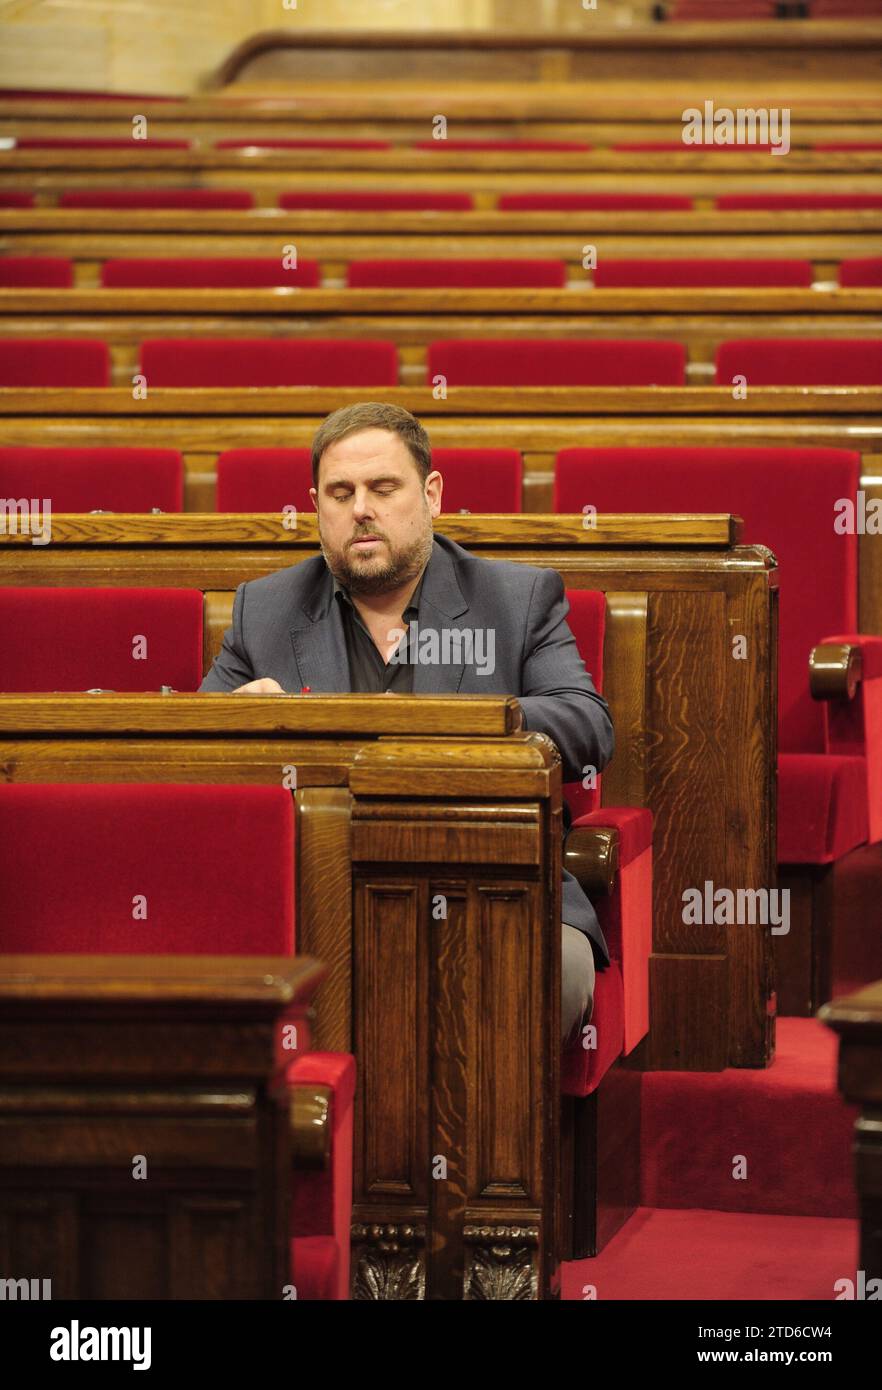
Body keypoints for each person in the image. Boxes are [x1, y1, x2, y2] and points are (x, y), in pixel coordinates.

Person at [200, 402, 614, 1042]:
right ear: (317, 507)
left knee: (550, 974)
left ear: (431, 494)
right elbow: (197, 753)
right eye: (340, 493)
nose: (360, 508)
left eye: (382, 488)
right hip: (314, 893)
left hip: (488, 882)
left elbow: (588, 726)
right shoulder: (266, 609)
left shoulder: (515, 598)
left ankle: (491, 1144)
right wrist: (241, 724)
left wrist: (439, 726)